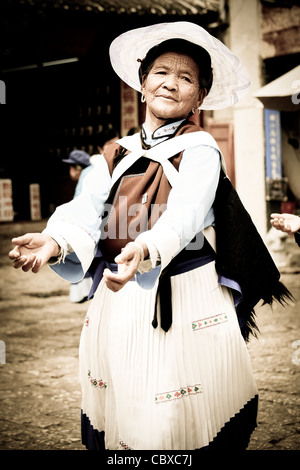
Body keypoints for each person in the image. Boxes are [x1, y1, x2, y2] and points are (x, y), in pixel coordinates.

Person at [8, 22, 292, 451]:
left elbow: (187, 212)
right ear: (142, 84)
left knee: (177, 407)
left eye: (186, 78)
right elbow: (86, 209)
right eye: (161, 72)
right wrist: (54, 242)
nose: (171, 83)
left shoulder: (200, 150)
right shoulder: (113, 151)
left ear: (199, 98)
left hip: (183, 289)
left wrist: (143, 247)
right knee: (124, 394)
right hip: (117, 292)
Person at [62, 150, 93, 302]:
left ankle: (81, 291)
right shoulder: (96, 171)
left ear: (78, 168)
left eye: (71, 167)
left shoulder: (87, 175)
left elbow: (77, 209)